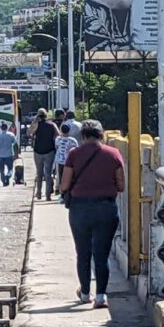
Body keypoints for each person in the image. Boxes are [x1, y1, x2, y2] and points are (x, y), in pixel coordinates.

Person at [60, 119, 125, 309]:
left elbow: (65, 184)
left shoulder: (74, 154)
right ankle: (101, 297)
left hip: (80, 209)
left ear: (83, 137)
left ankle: (85, 293)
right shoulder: (114, 153)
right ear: (102, 135)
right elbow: (121, 185)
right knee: (102, 254)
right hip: (106, 208)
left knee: (83, 251)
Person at [29, 108, 59, 201]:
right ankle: (48, 195)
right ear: (46, 115)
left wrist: (34, 122)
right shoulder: (52, 124)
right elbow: (58, 135)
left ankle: (38, 193)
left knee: (39, 173)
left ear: (38, 115)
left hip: (38, 151)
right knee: (48, 173)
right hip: (50, 151)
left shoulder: (36, 124)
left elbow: (29, 132)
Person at [54, 123, 79, 197]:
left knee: (61, 177)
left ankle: (62, 195)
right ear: (69, 131)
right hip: (70, 161)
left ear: (61, 130)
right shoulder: (73, 140)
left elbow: (56, 147)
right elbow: (76, 150)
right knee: (71, 177)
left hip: (60, 161)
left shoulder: (58, 139)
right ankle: (70, 193)